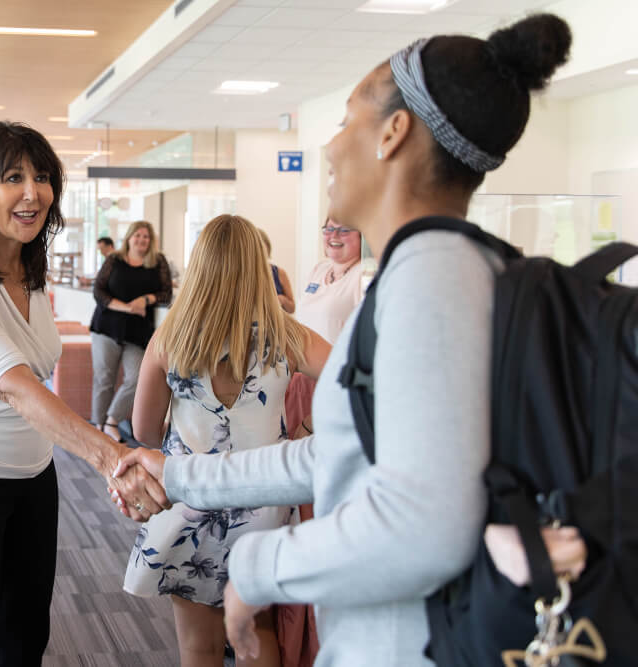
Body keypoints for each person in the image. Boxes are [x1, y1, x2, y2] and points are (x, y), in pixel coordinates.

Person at [111, 14, 585, 666]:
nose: (331, 146)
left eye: (346, 118)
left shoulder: (432, 287)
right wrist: (182, 471)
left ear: (394, 133)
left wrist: (260, 564)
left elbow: (422, 524)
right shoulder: (422, 276)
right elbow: (340, 454)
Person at [0, 121, 167, 667]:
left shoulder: (32, 270)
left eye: (42, 176)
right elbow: (19, 389)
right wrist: (111, 457)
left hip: (31, 479)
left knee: (24, 640)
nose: (33, 192)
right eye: (13, 177)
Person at [123, 214, 331, 667]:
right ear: (260, 267)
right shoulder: (286, 336)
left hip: (186, 502)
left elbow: (141, 430)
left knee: (198, 646)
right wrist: (309, 430)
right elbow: (356, 379)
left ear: (199, 267)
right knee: (255, 631)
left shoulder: (169, 339)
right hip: (265, 499)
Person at [90, 220, 173, 441]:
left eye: (146, 236)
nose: (141, 240)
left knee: (137, 378)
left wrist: (145, 299)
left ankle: (111, 420)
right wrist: (127, 307)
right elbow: (98, 291)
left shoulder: (158, 261)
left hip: (138, 333)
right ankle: (97, 427)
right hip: (106, 327)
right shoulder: (114, 259)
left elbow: (166, 293)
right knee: (104, 379)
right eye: (137, 235)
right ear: (129, 238)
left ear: (151, 240)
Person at [298, 219, 364, 345]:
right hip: (303, 363)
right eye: (329, 229)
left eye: (344, 230)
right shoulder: (319, 270)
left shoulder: (363, 274)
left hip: (337, 363)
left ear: (361, 237)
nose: (334, 235)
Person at [256, 228, 295, 314]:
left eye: (262, 247)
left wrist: (282, 299)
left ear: (268, 247)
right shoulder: (244, 276)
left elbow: (292, 309)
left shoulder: (279, 273)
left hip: (278, 324)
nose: (259, 252)